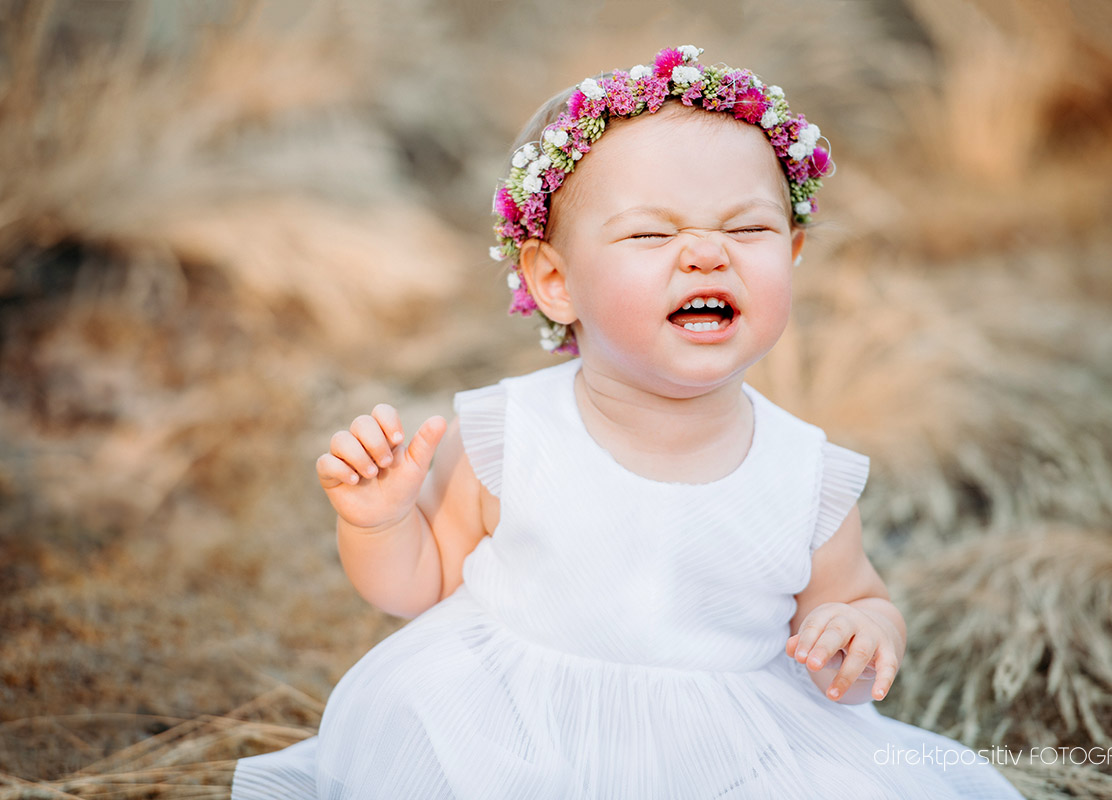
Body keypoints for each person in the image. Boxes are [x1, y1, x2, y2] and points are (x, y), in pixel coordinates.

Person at [232, 46, 1024, 799]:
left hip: (727, 754)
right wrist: (378, 523)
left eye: (748, 229)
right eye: (652, 233)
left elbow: (853, 595)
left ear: (794, 249)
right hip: (518, 738)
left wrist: (858, 625)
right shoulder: (515, 434)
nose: (707, 255)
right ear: (553, 281)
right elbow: (416, 586)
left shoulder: (803, 472)